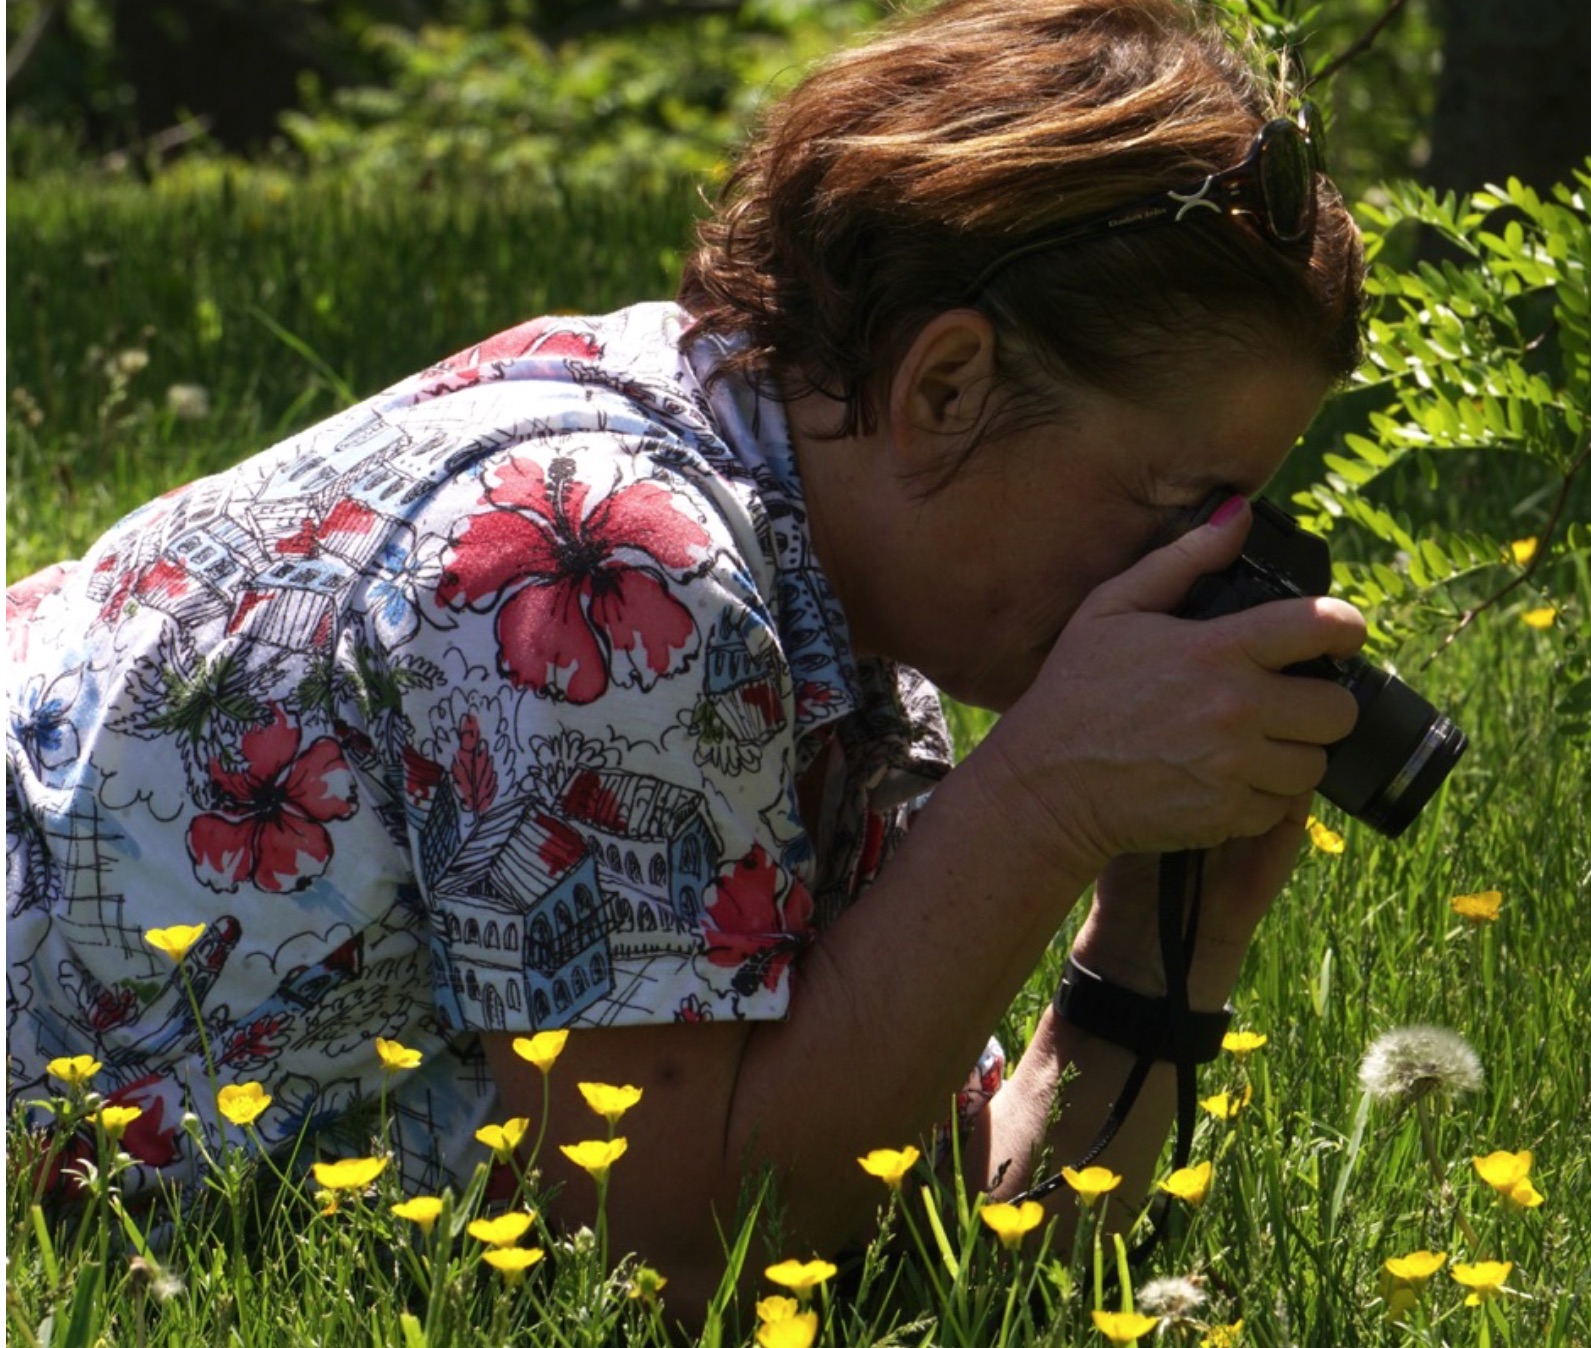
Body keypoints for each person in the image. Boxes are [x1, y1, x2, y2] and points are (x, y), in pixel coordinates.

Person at [6, 0, 1367, 1316]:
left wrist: (1154, 946)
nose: (1214, 575)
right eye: (1191, 508)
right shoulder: (605, 561)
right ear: (944, 388)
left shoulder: (840, 635)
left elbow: (934, 1232)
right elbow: (670, 1265)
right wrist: (1043, 799)